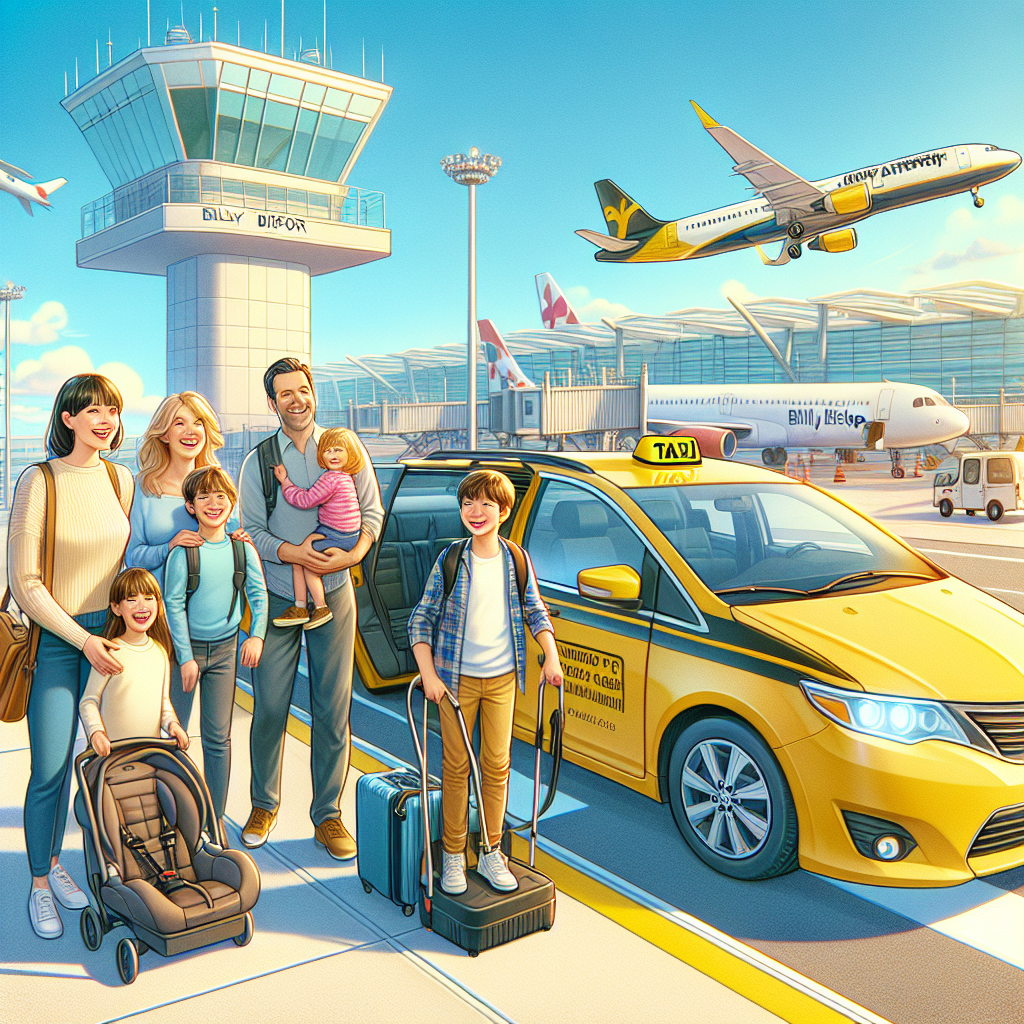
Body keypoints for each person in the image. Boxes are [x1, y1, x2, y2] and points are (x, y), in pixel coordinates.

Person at [237, 357, 383, 860]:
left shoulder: (343, 446)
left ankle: (328, 815)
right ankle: (263, 805)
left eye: (303, 390)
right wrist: (294, 554)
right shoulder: (258, 462)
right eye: (285, 393)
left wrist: (354, 554)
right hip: (278, 594)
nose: (296, 400)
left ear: (313, 392)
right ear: (272, 402)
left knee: (332, 708)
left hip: (336, 591)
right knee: (269, 707)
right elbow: (251, 531)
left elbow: (371, 512)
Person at [8, 374, 134, 940]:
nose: (106, 420)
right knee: (51, 770)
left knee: (110, 765)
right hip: (57, 643)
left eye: (113, 410)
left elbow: (125, 561)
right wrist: (82, 640)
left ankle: (64, 862)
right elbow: (25, 582)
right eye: (93, 411)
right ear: (68, 418)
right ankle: (41, 879)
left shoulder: (120, 478)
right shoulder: (39, 481)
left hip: (111, 635)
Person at [408, 469, 564, 895]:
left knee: (497, 767)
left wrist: (550, 655)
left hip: (502, 680)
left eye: (486, 504)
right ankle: (454, 854)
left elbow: (535, 610)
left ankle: (492, 851)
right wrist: (428, 674)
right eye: (468, 503)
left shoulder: (517, 560)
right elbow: (421, 618)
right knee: (456, 768)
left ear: (504, 511)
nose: (475, 512)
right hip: (454, 682)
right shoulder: (451, 560)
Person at [125, 391, 247, 731]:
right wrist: (170, 545)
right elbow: (132, 557)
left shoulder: (218, 484)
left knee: (216, 733)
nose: (191, 431)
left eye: (198, 422)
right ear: (164, 433)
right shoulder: (143, 488)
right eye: (179, 422)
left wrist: (240, 540)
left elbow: (230, 545)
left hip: (213, 630)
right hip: (159, 626)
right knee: (162, 728)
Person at [163, 466, 268, 823]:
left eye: (221, 496)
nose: (213, 503)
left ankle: (214, 819)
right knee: (174, 734)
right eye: (203, 496)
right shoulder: (183, 553)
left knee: (218, 739)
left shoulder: (243, 549)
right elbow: (173, 605)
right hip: (185, 652)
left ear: (231, 503)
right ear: (190, 506)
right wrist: (185, 657)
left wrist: (257, 635)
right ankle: (174, 815)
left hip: (225, 651)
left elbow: (258, 595)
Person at [79, 567, 189, 757]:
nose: (141, 606)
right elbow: (89, 701)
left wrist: (173, 725)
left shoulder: (160, 652)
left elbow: (164, 704)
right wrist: (96, 733)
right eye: (131, 599)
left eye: (148, 598)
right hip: (113, 757)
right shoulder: (111, 651)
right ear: (116, 608)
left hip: (150, 755)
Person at [270, 427, 364, 632]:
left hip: (336, 535)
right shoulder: (346, 478)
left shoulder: (331, 479)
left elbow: (305, 500)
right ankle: (302, 607)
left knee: (304, 562)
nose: (333, 455)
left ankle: (317, 607)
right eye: (328, 450)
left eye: (338, 450)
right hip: (349, 535)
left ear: (349, 453)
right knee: (301, 560)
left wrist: (285, 482)